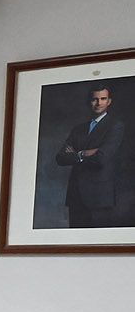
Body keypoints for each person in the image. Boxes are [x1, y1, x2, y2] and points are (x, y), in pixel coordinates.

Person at [54, 83, 124, 227]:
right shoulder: (78, 129)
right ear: (89, 101)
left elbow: (101, 158)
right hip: (76, 196)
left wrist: (75, 155)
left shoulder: (115, 126)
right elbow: (60, 158)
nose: (99, 103)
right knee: (75, 246)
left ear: (109, 101)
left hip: (99, 197)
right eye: (95, 99)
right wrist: (83, 153)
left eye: (103, 99)